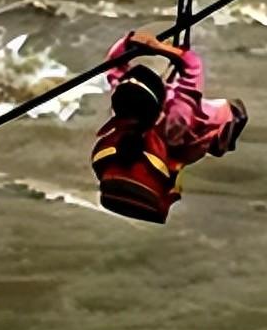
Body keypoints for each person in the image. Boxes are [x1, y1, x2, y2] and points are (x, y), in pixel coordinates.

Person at [90, 30, 248, 223]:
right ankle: (218, 137)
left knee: (187, 103)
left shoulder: (125, 97)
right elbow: (193, 66)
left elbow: (114, 62)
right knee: (231, 114)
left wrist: (131, 40)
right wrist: (159, 48)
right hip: (180, 142)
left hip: (155, 141)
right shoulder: (177, 116)